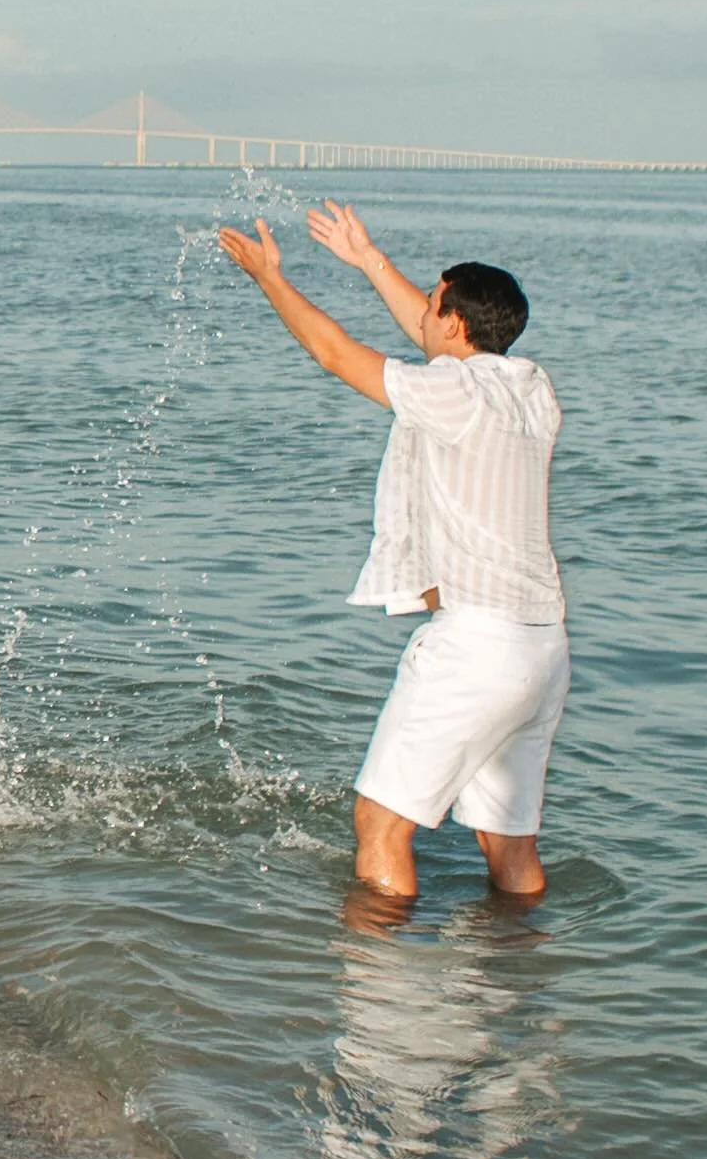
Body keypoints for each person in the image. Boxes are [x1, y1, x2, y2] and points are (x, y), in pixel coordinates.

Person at [218, 203, 566, 904]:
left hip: (476, 646)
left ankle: (380, 993)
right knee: (508, 841)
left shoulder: (452, 391)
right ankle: (521, 981)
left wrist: (270, 279)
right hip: (544, 647)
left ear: (454, 322)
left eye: (432, 304)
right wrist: (367, 257)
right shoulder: (532, 389)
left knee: (379, 823)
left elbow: (335, 354)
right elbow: (435, 336)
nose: (422, 314)